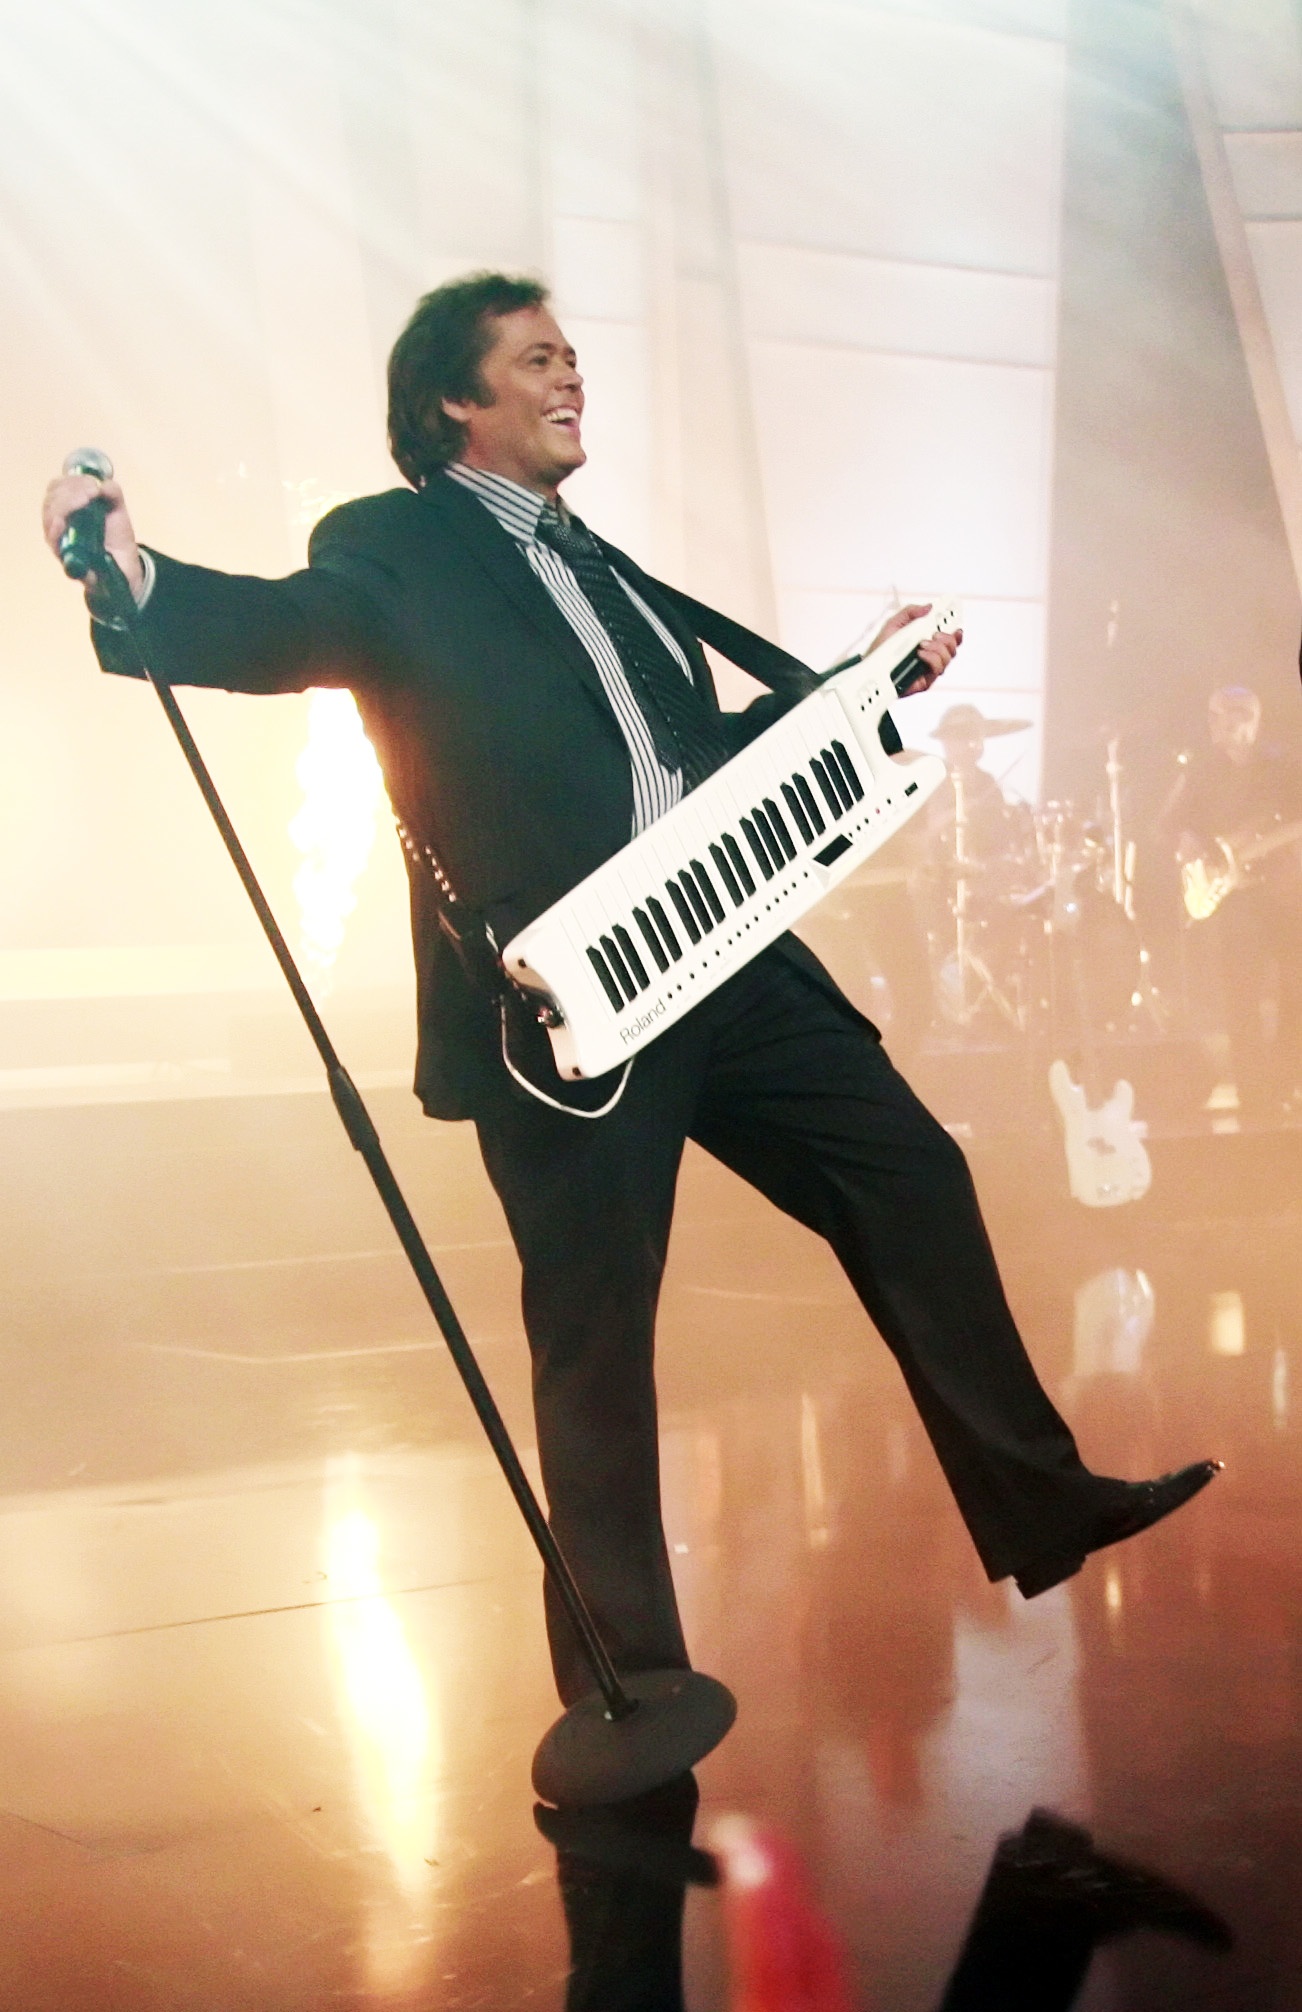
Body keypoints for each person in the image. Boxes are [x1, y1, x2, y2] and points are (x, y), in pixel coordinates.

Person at [43, 270, 1217, 1711]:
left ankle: (1038, 1498)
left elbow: (697, 766)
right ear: (453, 401)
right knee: (596, 1339)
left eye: (572, 358)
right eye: (536, 360)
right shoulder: (397, 544)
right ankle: (629, 1683)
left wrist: (860, 689)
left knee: (909, 1171)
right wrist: (136, 582)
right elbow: (292, 626)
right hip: (575, 997)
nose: (570, 377)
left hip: (722, 952)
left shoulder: (606, 571)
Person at [1162, 685, 1302, 1118]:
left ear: (1254, 722)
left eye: (1239, 717)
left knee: (1296, 991)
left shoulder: (1282, 765)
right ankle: (1255, 1095)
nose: (1228, 727)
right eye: (1220, 718)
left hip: (1284, 891)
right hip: (1235, 899)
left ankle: (1284, 1083)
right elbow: (1167, 825)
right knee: (1241, 997)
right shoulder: (1200, 772)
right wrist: (1186, 839)